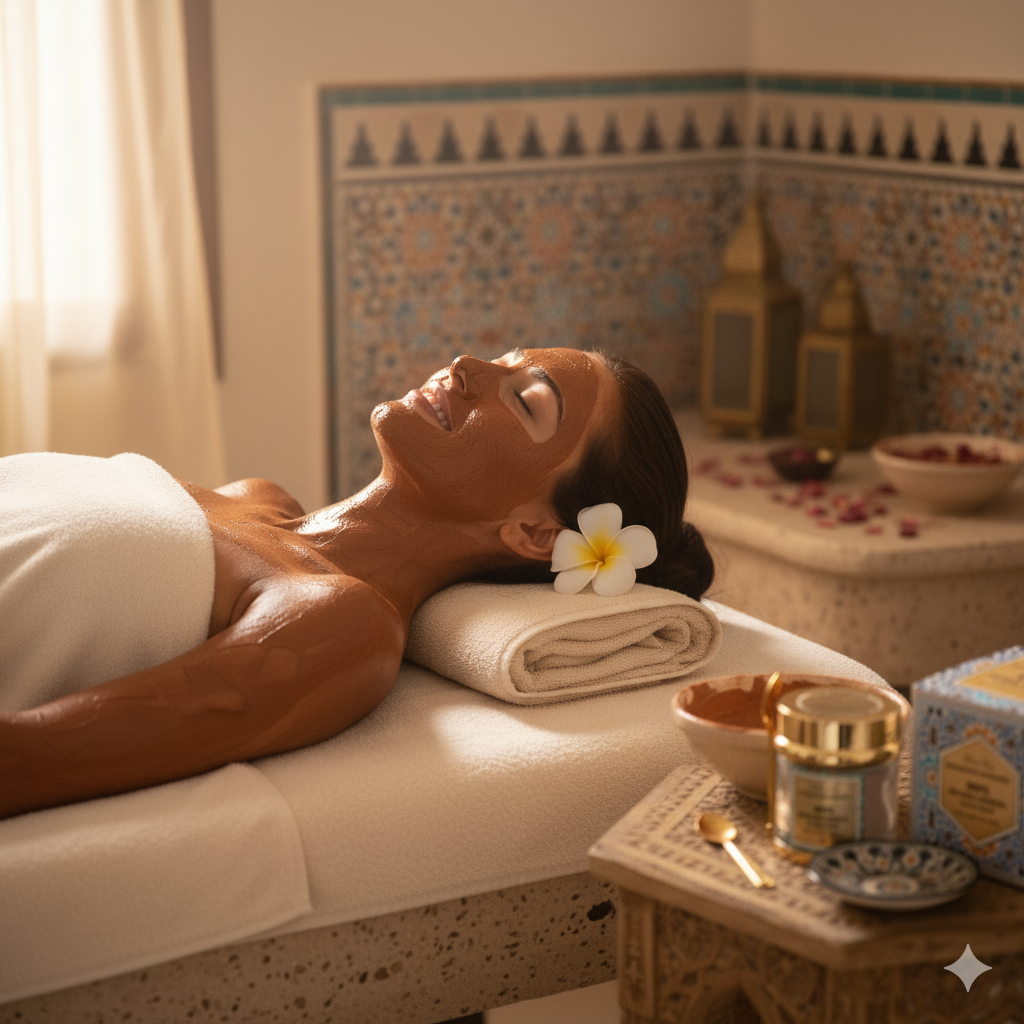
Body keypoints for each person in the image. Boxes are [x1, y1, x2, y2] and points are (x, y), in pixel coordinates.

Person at [0, 348, 713, 819]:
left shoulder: (343, 622)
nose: (467, 365)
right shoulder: (258, 499)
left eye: (526, 401)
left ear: (534, 534)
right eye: (502, 358)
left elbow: (39, 758)